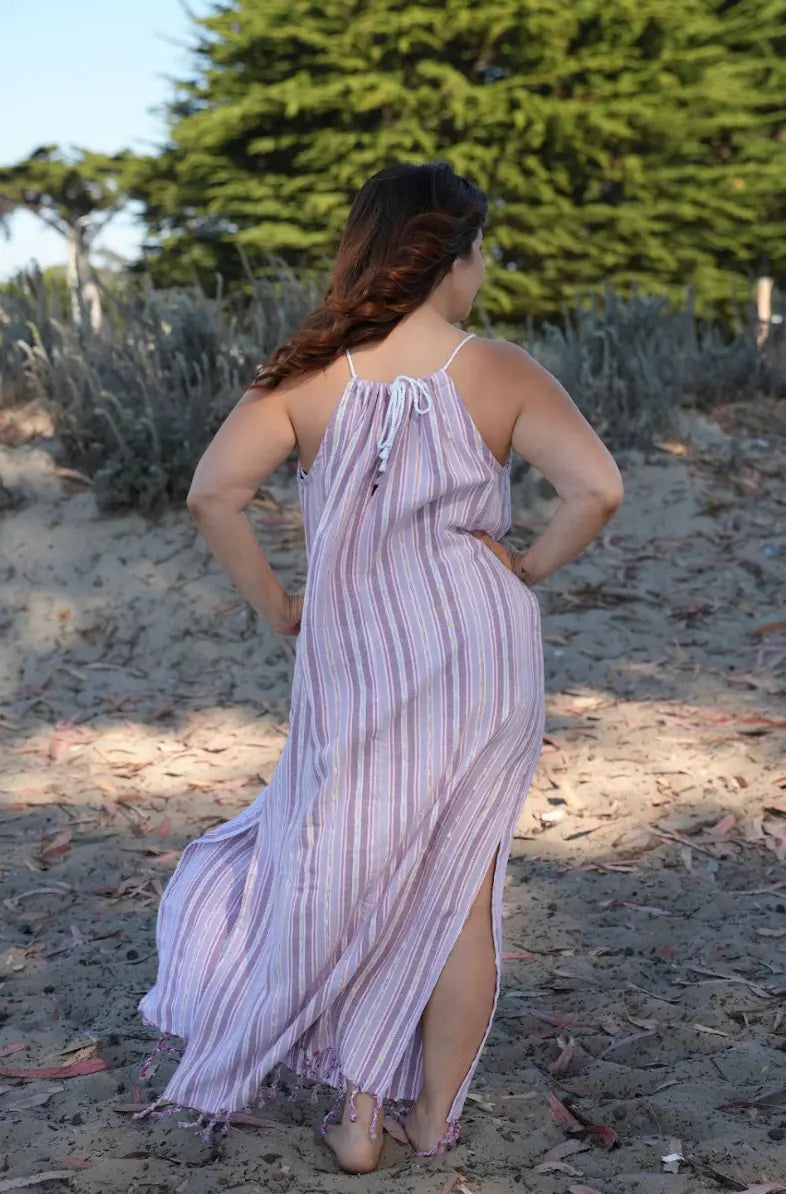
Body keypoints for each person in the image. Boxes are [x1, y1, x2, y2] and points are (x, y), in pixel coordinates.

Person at [133, 160, 623, 1175]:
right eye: (479, 253)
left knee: (354, 868)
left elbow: (211, 495)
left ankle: (358, 1113)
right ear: (448, 258)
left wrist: (280, 610)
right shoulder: (498, 369)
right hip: (482, 656)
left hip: (355, 653)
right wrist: (525, 564)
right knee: (458, 886)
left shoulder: (308, 370)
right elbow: (598, 490)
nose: (481, 274)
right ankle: (432, 1118)